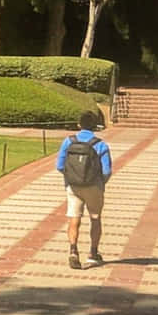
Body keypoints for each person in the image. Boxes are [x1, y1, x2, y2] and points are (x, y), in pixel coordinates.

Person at [56, 110, 114, 270]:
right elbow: (107, 170)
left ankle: (73, 250)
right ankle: (93, 252)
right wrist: (101, 183)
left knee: (74, 218)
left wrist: (70, 177)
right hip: (94, 185)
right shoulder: (100, 144)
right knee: (95, 218)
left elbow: (59, 165)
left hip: (73, 185)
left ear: (79, 125)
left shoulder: (68, 141)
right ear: (95, 126)